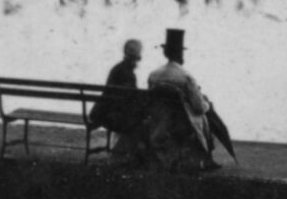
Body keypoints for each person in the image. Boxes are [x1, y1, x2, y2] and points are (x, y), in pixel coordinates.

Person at [147, 28, 219, 170]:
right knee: (207, 111)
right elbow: (198, 107)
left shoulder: (153, 75)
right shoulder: (185, 76)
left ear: (166, 52)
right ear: (180, 54)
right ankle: (207, 157)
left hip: (160, 121)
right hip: (182, 123)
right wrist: (207, 105)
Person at [89, 39, 148, 156]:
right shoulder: (128, 74)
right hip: (109, 116)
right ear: (137, 57)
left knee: (139, 118)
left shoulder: (117, 69)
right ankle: (126, 153)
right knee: (142, 122)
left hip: (102, 112)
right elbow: (129, 100)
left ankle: (123, 151)